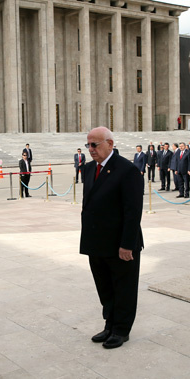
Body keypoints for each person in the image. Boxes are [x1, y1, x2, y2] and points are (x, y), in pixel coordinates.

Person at [81, 127, 143, 349]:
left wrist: (127, 244)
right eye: (88, 145)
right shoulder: (89, 169)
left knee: (123, 288)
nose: (91, 149)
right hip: (96, 241)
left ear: (110, 143)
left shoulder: (127, 170)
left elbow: (132, 211)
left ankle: (121, 330)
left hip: (120, 244)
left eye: (95, 145)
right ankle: (109, 324)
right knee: (105, 287)